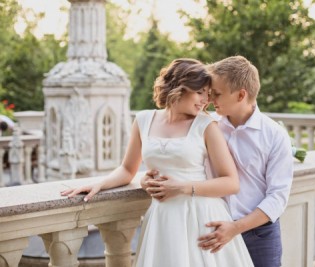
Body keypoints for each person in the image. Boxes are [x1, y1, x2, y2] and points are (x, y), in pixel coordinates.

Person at [61, 58, 254, 267]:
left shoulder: (206, 125)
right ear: (179, 87)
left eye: (208, 93)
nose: (205, 100)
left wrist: (181, 187)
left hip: (200, 217)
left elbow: (231, 182)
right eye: (200, 92)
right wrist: (99, 184)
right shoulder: (143, 120)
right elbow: (127, 169)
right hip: (162, 219)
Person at [143, 56, 293, 267]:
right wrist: (147, 179)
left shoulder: (274, 136)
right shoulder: (207, 125)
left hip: (259, 234)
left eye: (217, 94)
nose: (210, 100)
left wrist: (235, 228)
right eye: (209, 93)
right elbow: (182, 163)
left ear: (241, 95)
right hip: (211, 229)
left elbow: (277, 197)